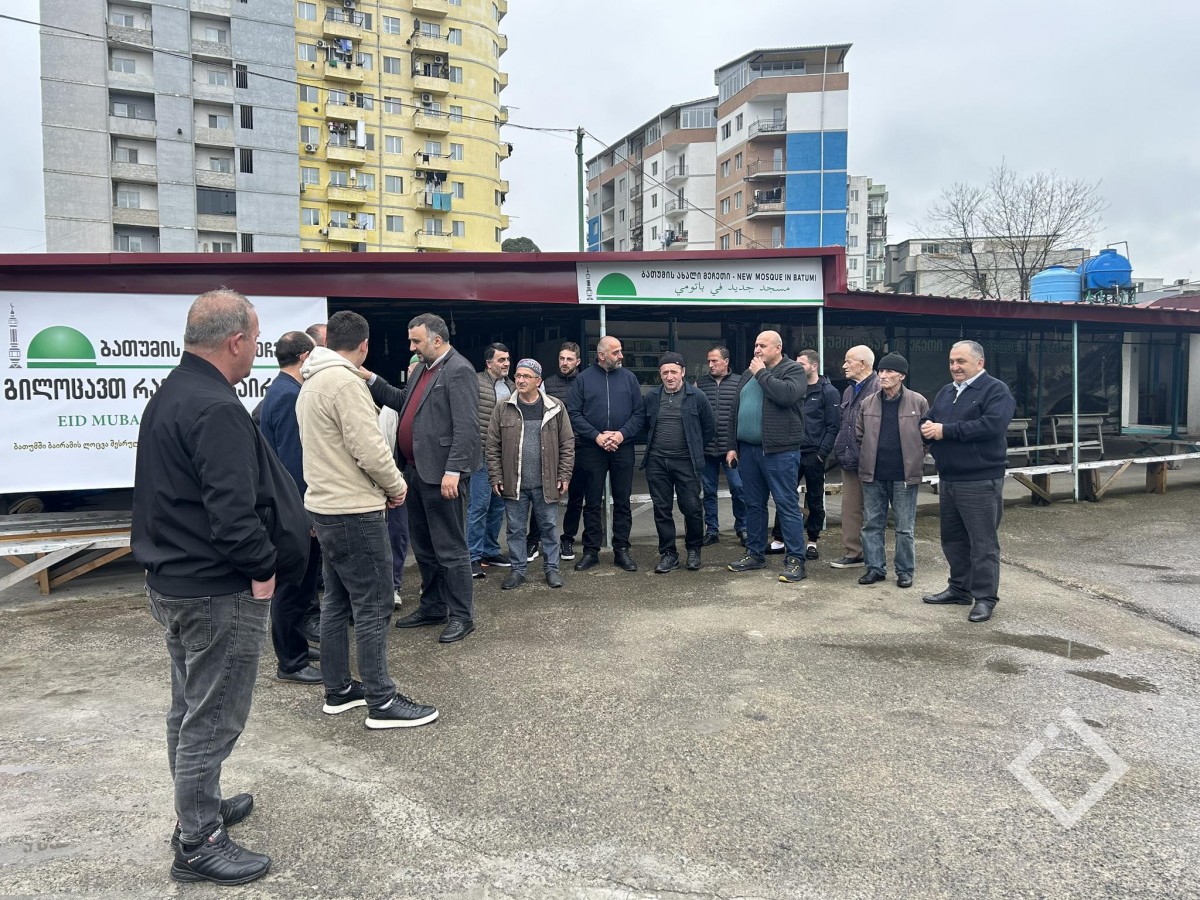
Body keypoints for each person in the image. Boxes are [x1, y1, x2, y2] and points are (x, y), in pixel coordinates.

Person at [133, 288, 310, 886]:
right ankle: (198, 842)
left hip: (178, 581)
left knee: (189, 708)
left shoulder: (174, 392)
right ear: (235, 341)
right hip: (214, 589)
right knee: (212, 718)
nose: (257, 350)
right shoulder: (214, 407)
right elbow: (233, 516)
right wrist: (264, 569)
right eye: (255, 340)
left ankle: (198, 807)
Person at [296, 311, 438, 728]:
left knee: (337, 601)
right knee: (374, 604)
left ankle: (339, 689)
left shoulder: (312, 381)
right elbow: (370, 450)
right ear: (364, 345)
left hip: (325, 507)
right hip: (355, 510)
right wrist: (397, 486)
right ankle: (381, 700)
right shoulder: (345, 384)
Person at [374, 313, 480, 644]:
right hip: (415, 472)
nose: (412, 347)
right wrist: (371, 379)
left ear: (436, 339)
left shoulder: (459, 370)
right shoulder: (422, 369)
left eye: (416, 341)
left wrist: (453, 471)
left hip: (442, 476)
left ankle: (462, 615)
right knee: (424, 547)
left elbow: (467, 426)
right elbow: (403, 403)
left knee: (451, 549)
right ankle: (433, 606)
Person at [921, 341, 1015, 623]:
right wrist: (925, 427)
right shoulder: (947, 391)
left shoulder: (996, 390)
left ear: (979, 362)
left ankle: (985, 598)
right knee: (953, 539)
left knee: (982, 543)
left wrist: (946, 431)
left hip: (979, 478)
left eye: (961, 361)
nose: (955, 367)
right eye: (952, 361)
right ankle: (959, 589)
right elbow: (931, 418)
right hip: (949, 477)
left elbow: (992, 426)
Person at [258, 330, 322, 684]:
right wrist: (305, 513)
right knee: (292, 586)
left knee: (302, 583)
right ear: (303, 357)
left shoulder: (282, 389)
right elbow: (293, 461)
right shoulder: (288, 395)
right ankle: (291, 662)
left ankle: (297, 645)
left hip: (290, 506)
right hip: (294, 510)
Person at [725, 331, 809, 584]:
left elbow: (786, 396)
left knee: (786, 504)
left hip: (780, 451)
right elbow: (735, 410)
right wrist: (732, 446)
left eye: (762, 345)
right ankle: (755, 553)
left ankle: (795, 559)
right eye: (755, 345)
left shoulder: (792, 370)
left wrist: (762, 373)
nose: (757, 349)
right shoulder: (748, 373)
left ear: (778, 348)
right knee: (753, 504)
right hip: (749, 451)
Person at [486, 358, 575, 589]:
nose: (521, 380)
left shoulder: (555, 407)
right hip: (514, 482)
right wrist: (496, 476)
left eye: (526, 376)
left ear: (538, 381)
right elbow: (492, 445)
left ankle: (552, 570)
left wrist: (564, 475)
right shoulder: (503, 407)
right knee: (515, 529)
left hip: (546, 482)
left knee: (549, 528)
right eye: (518, 376)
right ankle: (518, 571)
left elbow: (567, 443)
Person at [567, 335, 645, 573]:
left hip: (623, 447)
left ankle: (622, 550)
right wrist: (596, 436)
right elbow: (573, 413)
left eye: (620, 351)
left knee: (622, 501)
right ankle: (591, 551)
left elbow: (639, 414)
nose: (621, 355)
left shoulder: (630, 378)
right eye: (616, 352)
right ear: (601, 355)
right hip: (592, 448)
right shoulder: (583, 379)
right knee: (591, 502)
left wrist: (621, 435)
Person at [855, 353, 928, 589]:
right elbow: (859, 435)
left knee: (904, 528)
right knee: (871, 525)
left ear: (902, 376)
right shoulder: (867, 403)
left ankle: (905, 571)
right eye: (881, 371)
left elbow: (926, 436)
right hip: (873, 473)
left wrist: (916, 456)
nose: (883, 375)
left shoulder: (918, 402)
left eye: (889, 371)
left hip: (904, 474)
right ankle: (875, 569)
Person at [642, 352, 716, 573]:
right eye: (665, 372)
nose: (669, 376)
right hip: (657, 462)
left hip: (687, 462)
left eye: (674, 372)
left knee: (692, 508)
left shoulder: (697, 396)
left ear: (683, 372)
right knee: (661, 509)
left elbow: (709, 427)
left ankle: (694, 549)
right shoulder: (652, 397)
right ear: (660, 374)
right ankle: (668, 554)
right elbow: (645, 425)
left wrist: (694, 448)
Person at [768, 349, 840, 559]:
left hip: (813, 454)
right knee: (785, 496)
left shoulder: (828, 392)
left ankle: (812, 541)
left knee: (815, 499)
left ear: (814, 366)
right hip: (791, 451)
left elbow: (833, 426)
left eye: (801, 364)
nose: (796, 367)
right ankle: (779, 540)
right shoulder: (794, 387)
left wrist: (821, 454)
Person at [376, 352, 422, 609]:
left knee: (427, 535)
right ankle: (393, 586)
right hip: (400, 480)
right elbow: (382, 445)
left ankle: (431, 583)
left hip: (427, 479)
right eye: (415, 369)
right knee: (398, 534)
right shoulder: (393, 406)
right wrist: (391, 482)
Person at [830, 345, 880, 569]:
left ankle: (874, 556)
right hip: (850, 459)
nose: (844, 366)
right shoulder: (849, 391)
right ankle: (854, 552)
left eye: (848, 361)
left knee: (874, 510)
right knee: (850, 508)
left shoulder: (879, 388)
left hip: (873, 461)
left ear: (863, 364)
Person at [469, 343, 514, 578]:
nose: (506, 363)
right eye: (501, 360)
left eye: (507, 359)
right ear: (489, 363)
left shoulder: (512, 386)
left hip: (504, 457)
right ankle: (472, 556)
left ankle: (490, 550)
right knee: (479, 506)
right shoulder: (475, 383)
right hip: (481, 455)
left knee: (497, 507)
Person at [696, 345, 746, 546]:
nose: (710, 364)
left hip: (731, 448)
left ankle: (743, 528)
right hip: (707, 449)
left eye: (714, 361)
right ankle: (712, 530)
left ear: (726, 361)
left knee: (738, 488)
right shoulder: (700, 384)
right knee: (708, 491)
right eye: (709, 361)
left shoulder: (740, 382)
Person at [540, 341, 583, 562]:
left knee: (576, 497)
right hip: (551, 448)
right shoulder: (547, 384)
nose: (565, 363)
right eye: (562, 358)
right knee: (543, 496)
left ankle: (567, 539)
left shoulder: (585, 382)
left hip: (579, 447)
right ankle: (535, 539)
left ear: (578, 361)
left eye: (569, 359)